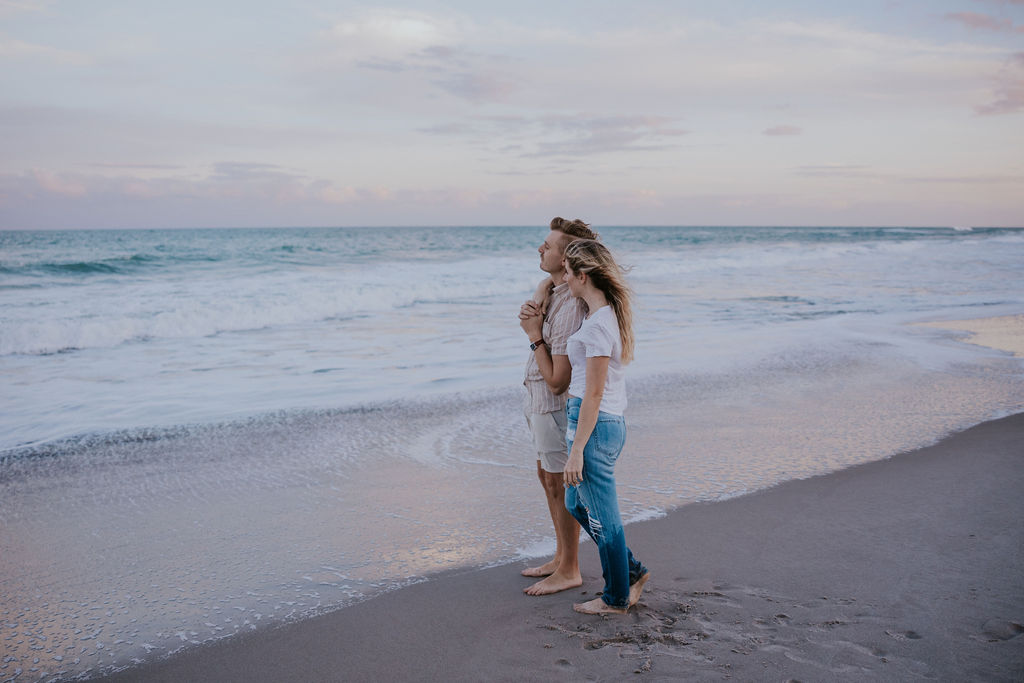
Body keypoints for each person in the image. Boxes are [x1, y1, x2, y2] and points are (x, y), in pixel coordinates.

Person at [560, 238, 649, 614]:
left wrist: (578, 448)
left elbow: (594, 393)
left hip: (594, 427)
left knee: (604, 516)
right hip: (593, 423)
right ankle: (629, 571)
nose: (562, 277)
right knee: (574, 502)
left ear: (583, 275)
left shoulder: (598, 326)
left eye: (568, 272)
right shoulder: (600, 314)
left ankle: (615, 598)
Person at [518, 217, 600, 596]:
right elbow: (544, 285)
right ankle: (560, 556)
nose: (540, 249)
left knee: (560, 485)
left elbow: (559, 380)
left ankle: (570, 568)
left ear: (567, 257)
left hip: (553, 403)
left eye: (548, 246)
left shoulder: (569, 308)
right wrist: (540, 291)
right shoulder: (553, 289)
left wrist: (534, 336)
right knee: (547, 479)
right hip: (538, 400)